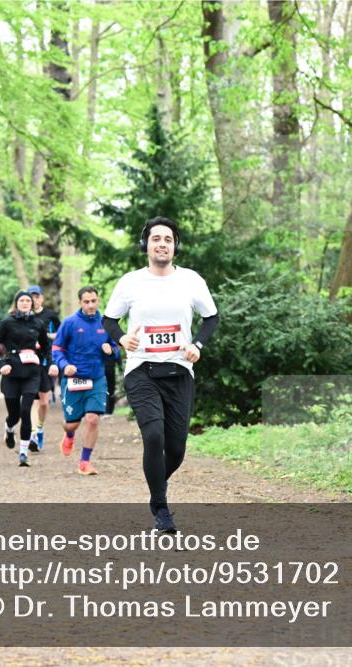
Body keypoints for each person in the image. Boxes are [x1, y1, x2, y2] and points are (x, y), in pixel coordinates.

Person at [103, 217, 219, 533]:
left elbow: (211, 318)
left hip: (179, 370)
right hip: (141, 370)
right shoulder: (130, 282)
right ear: (146, 245)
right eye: (156, 239)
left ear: (175, 246)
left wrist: (197, 344)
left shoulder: (191, 280)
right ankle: (161, 509)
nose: (162, 244)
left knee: (176, 450)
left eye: (168, 239)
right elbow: (109, 320)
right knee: (154, 435)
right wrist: (122, 339)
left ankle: (156, 484)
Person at [52, 286, 119, 475]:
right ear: (80, 302)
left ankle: (85, 461)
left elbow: (116, 348)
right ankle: (69, 434)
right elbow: (57, 348)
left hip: (96, 378)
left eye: (93, 301)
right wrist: (64, 365)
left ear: (98, 300)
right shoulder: (70, 322)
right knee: (72, 423)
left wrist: (111, 351)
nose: (90, 305)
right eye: (86, 301)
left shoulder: (105, 323)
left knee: (93, 418)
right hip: (73, 379)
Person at [0, 291, 57, 466]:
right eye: (22, 300)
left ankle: (23, 453)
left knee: (26, 411)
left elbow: (46, 348)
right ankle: (9, 428)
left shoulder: (38, 323)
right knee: (14, 415)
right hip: (11, 371)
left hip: (32, 372)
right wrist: (0, 365)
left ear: (32, 304)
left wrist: (51, 364)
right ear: (16, 303)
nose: (25, 303)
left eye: (28, 300)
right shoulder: (7, 322)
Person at [28, 285, 61, 452]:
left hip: (46, 362)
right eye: (31, 297)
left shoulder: (50, 315)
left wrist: (45, 336)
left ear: (41, 298)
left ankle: (40, 427)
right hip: (29, 362)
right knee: (32, 400)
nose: (34, 300)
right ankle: (33, 433)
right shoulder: (23, 316)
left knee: (44, 402)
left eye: (36, 296)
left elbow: (61, 334)